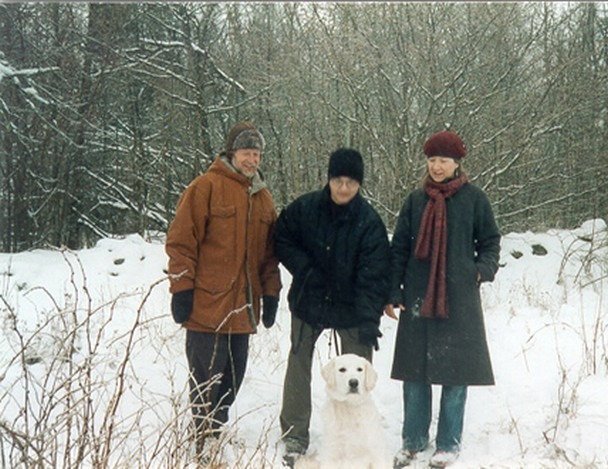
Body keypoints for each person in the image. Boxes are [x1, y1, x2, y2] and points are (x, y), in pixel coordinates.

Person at [165, 121, 282, 459]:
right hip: (206, 306)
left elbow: (269, 255)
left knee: (234, 375)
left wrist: (271, 293)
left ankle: (217, 427)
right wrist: (182, 288)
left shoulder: (262, 197)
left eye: (256, 153)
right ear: (232, 153)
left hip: (243, 309)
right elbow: (181, 243)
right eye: (246, 152)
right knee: (205, 378)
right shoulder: (205, 187)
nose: (252, 160)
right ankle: (203, 438)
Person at [386, 130, 501, 468]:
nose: (436, 167)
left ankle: (448, 444)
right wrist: (394, 291)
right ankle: (413, 442)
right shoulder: (415, 201)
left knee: (456, 373)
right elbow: (399, 249)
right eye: (432, 160)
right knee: (415, 372)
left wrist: (479, 271)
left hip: (458, 297)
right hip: (418, 295)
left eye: (443, 160)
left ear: (456, 163)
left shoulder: (475, 199)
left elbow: (491, 241)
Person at [274, 148, 390, 467]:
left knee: (359, 368)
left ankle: (358, 430)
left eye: (351, 182)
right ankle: (295, 435)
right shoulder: (306, 208)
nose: (343, 188)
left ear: (360, 185)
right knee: (299, 362)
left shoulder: (369, 222)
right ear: (328, 178)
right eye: (338, 180)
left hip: (350, 305)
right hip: (309, 298)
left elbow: (375, 274)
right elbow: (281, 237)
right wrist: (304, 268)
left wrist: (369, 320)